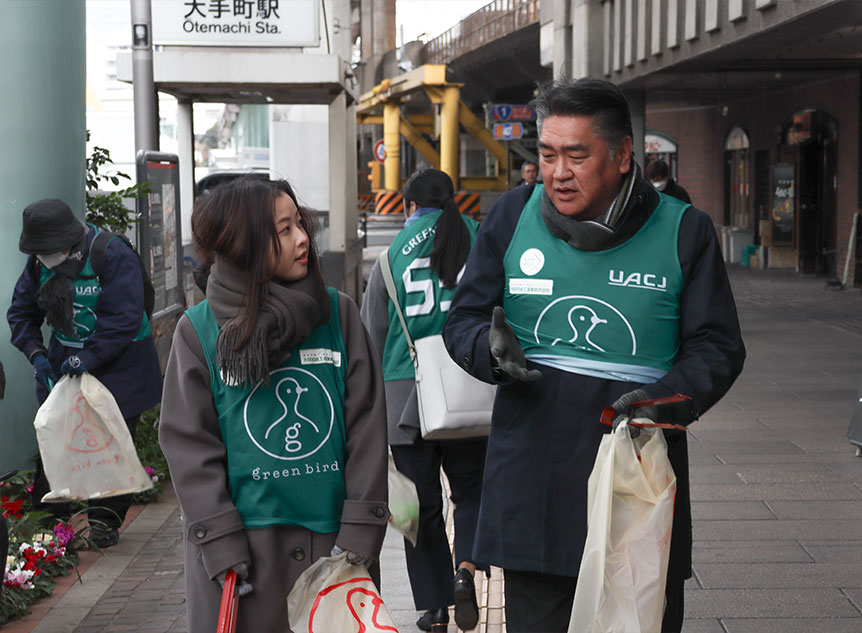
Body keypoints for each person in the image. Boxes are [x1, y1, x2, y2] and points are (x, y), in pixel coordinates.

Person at [443, 78, 746, 632]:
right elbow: (461, 318)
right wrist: (488, 350)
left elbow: (719, 346)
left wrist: (662, 402)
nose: (558, 172)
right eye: (548, 154)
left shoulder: (686, 231)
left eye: (576, 156)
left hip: (637, 473)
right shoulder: (513, 217)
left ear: (623, 154)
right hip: (533, 472)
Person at [158, 177, 389, 632]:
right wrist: (219, 541)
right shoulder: (199, 331)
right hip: (244, 563)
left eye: (299, 224)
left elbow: (366, 426)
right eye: (283, 230)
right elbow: (189, 446)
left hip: (334, 549)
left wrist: (360, 532)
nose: (303, 238)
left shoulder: (338, 314)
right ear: (244, 244)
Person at [361, 169, 487, 632]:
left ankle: (432, 607)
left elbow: (370, 334)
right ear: (454, 199)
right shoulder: (479, 237)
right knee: (472, 491)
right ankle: (466, 572)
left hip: (405, 396)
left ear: (410, 206)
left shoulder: (391, 255)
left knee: (419, 508)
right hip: (469, 389)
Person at [7, 199, 162, 547]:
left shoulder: (111, 253)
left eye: (49, 251)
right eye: (38, 252)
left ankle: (105, 522)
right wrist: (37, 355)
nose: (43, 258)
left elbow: (122, 318)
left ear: (68, 243)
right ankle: (51, 525)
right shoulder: (39, 265)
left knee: (112, 441)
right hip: (65, 361)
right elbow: (20, 314)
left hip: (121, 363)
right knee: (56, 436)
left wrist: (88, 358)